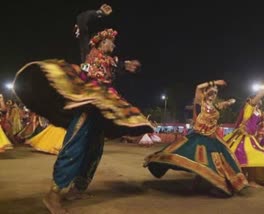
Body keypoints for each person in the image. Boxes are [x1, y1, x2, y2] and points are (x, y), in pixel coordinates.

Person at [13, 4, 153, 213]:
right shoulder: (88, 49)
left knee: (95, 148)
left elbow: (119, 68)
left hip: (104, 104)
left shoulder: (113, 62)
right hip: (87, 101)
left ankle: (78, 187)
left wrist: (129, 66)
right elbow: (81, 20)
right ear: (100, 42)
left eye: (113, 43)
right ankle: (54, 192)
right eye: (110, 42)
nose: (113, 46)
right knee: (76, 142)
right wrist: (99, 14)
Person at [144, 80, 248, 197]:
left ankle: (209, 184)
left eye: (214, 94)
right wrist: (214, 83)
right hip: (199, 137)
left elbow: (222, 106)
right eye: (210, 93)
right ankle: (214, 185)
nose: (212, 95)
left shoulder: (214, 107)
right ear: (205, 93)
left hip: (213, 138)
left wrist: (229, 102)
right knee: (203, 162)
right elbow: (198, 87)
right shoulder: (199, 103)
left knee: (219, 161)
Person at [224, 90, 264, 187]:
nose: (259, 102)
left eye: (260, 101)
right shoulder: (248, 107)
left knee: (249, 158)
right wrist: (261, 93)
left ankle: (249, 180)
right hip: (242, 137)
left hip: (250, 138)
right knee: (243, 157)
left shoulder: (258, 112)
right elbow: (253, 102)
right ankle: (244, 180)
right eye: (257, 99)